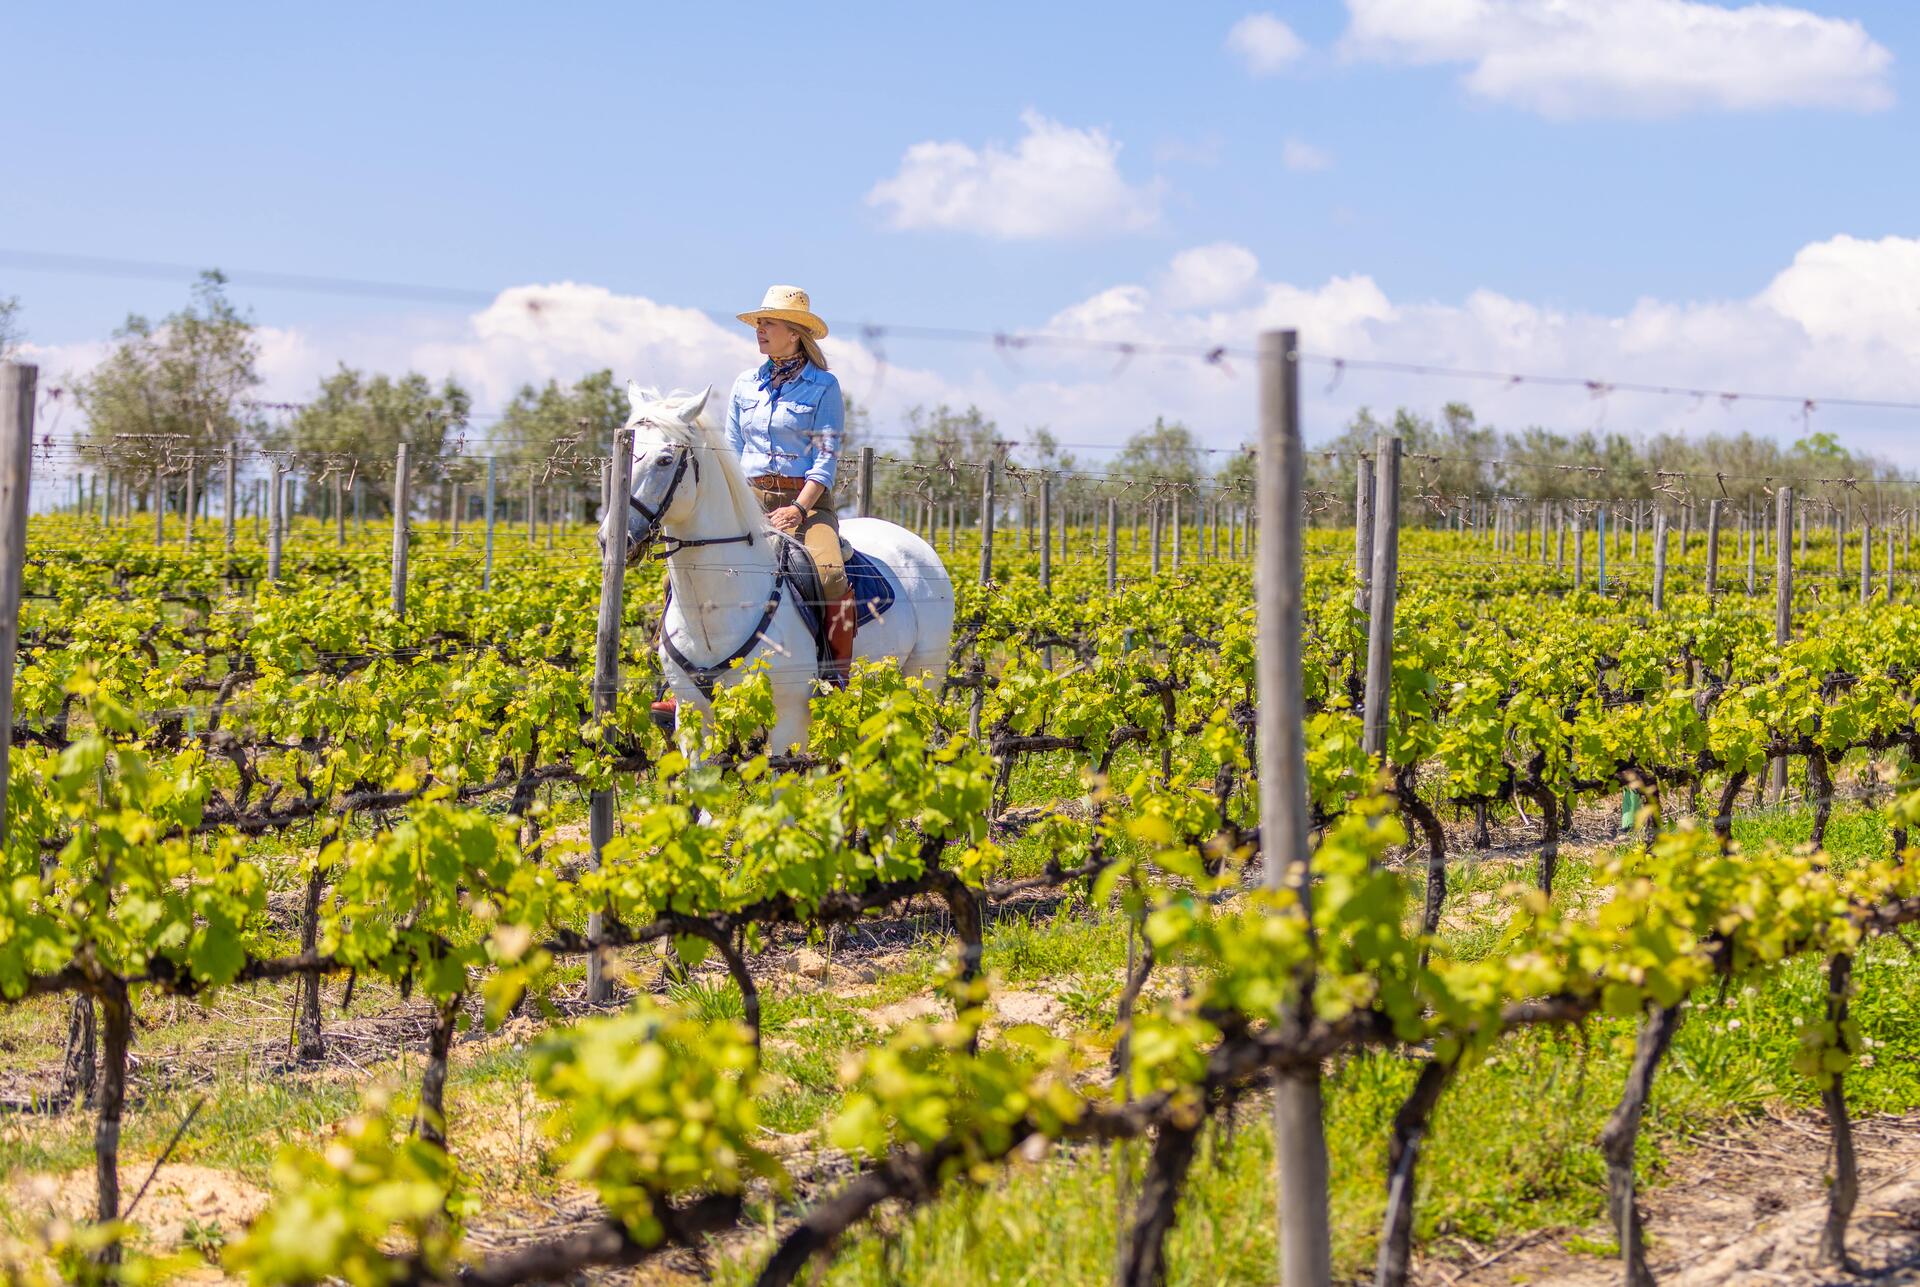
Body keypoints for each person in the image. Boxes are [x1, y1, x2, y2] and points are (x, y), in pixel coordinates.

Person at [651, 285, 854, 720]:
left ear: (795, 333)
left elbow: (825, 459)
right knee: (682, 572)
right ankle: (677, 683)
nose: (760, 330)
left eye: (769, 323)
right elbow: (730, 451)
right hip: (747, 498)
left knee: (830, 575)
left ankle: (834, 677)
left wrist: (797, 510)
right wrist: (736, 503)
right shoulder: (745, 384)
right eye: (759, 323)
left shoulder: (825, 386)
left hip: (806, 502)